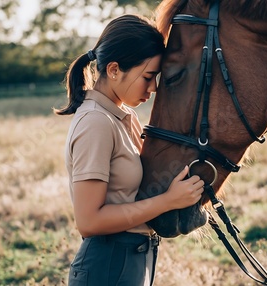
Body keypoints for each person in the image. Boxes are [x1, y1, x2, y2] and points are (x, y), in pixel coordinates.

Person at [55, 14, 204, 286]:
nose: (154, 87)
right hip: (108, 268)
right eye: (148, 77)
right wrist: (168, 201)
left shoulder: (124, 117)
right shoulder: (95, 123)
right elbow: (89, 221)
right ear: (113, 70)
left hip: (135, 261)